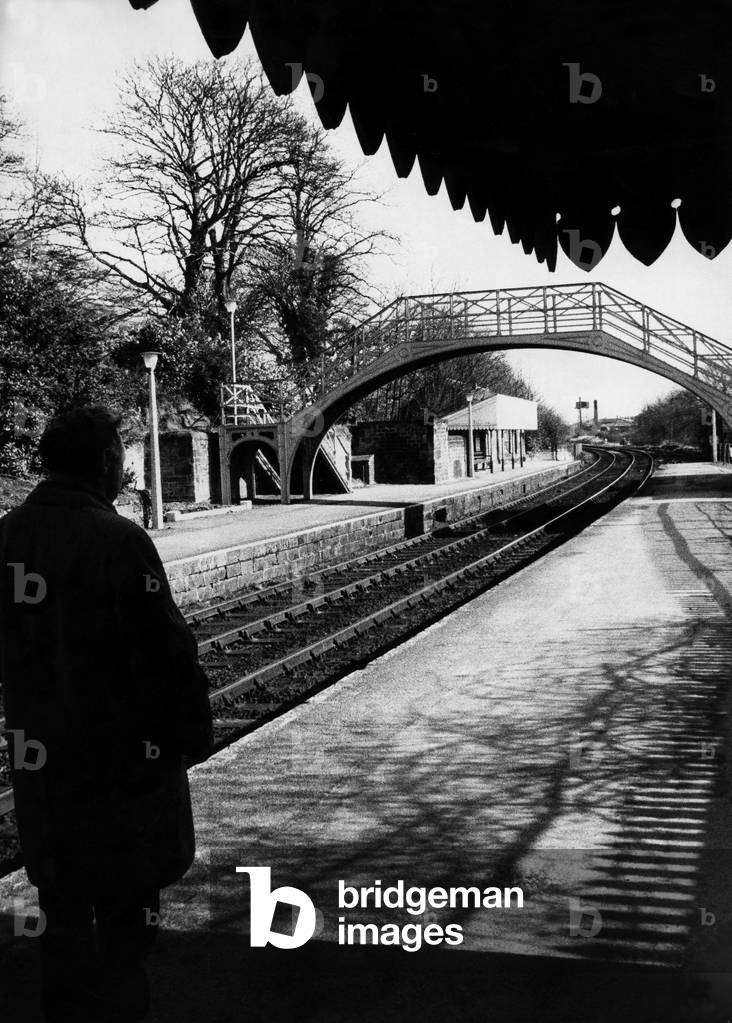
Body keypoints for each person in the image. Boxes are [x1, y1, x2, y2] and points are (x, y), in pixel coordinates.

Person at [0, 406, 213, 1022]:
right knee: (125, 922)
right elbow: (167, 652)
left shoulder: (8, 533)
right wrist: (189, 738)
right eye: (122, 453)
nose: (126, 464)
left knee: (61, 911)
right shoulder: (118, 540)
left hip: (42, 764)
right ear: (103, 464)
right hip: (120, 771)